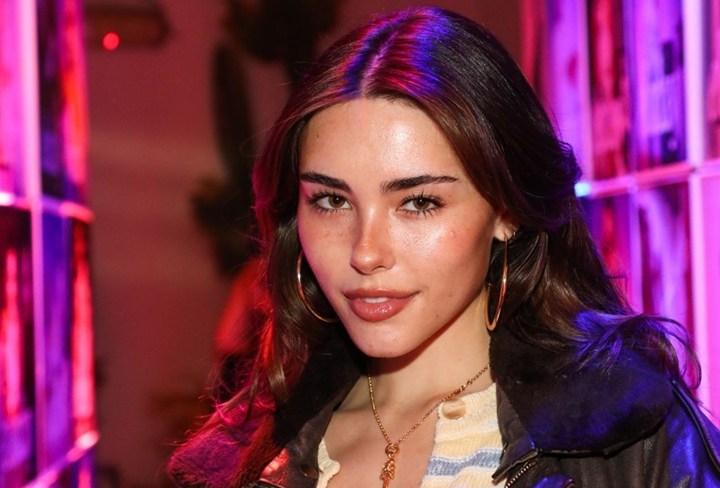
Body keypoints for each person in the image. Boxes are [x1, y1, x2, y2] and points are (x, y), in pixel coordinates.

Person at [168, 6, 720, 487]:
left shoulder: (629, 438)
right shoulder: (240, 462)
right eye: (332, 201)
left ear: (506, 212)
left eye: (419, 202)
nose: (365, 253)